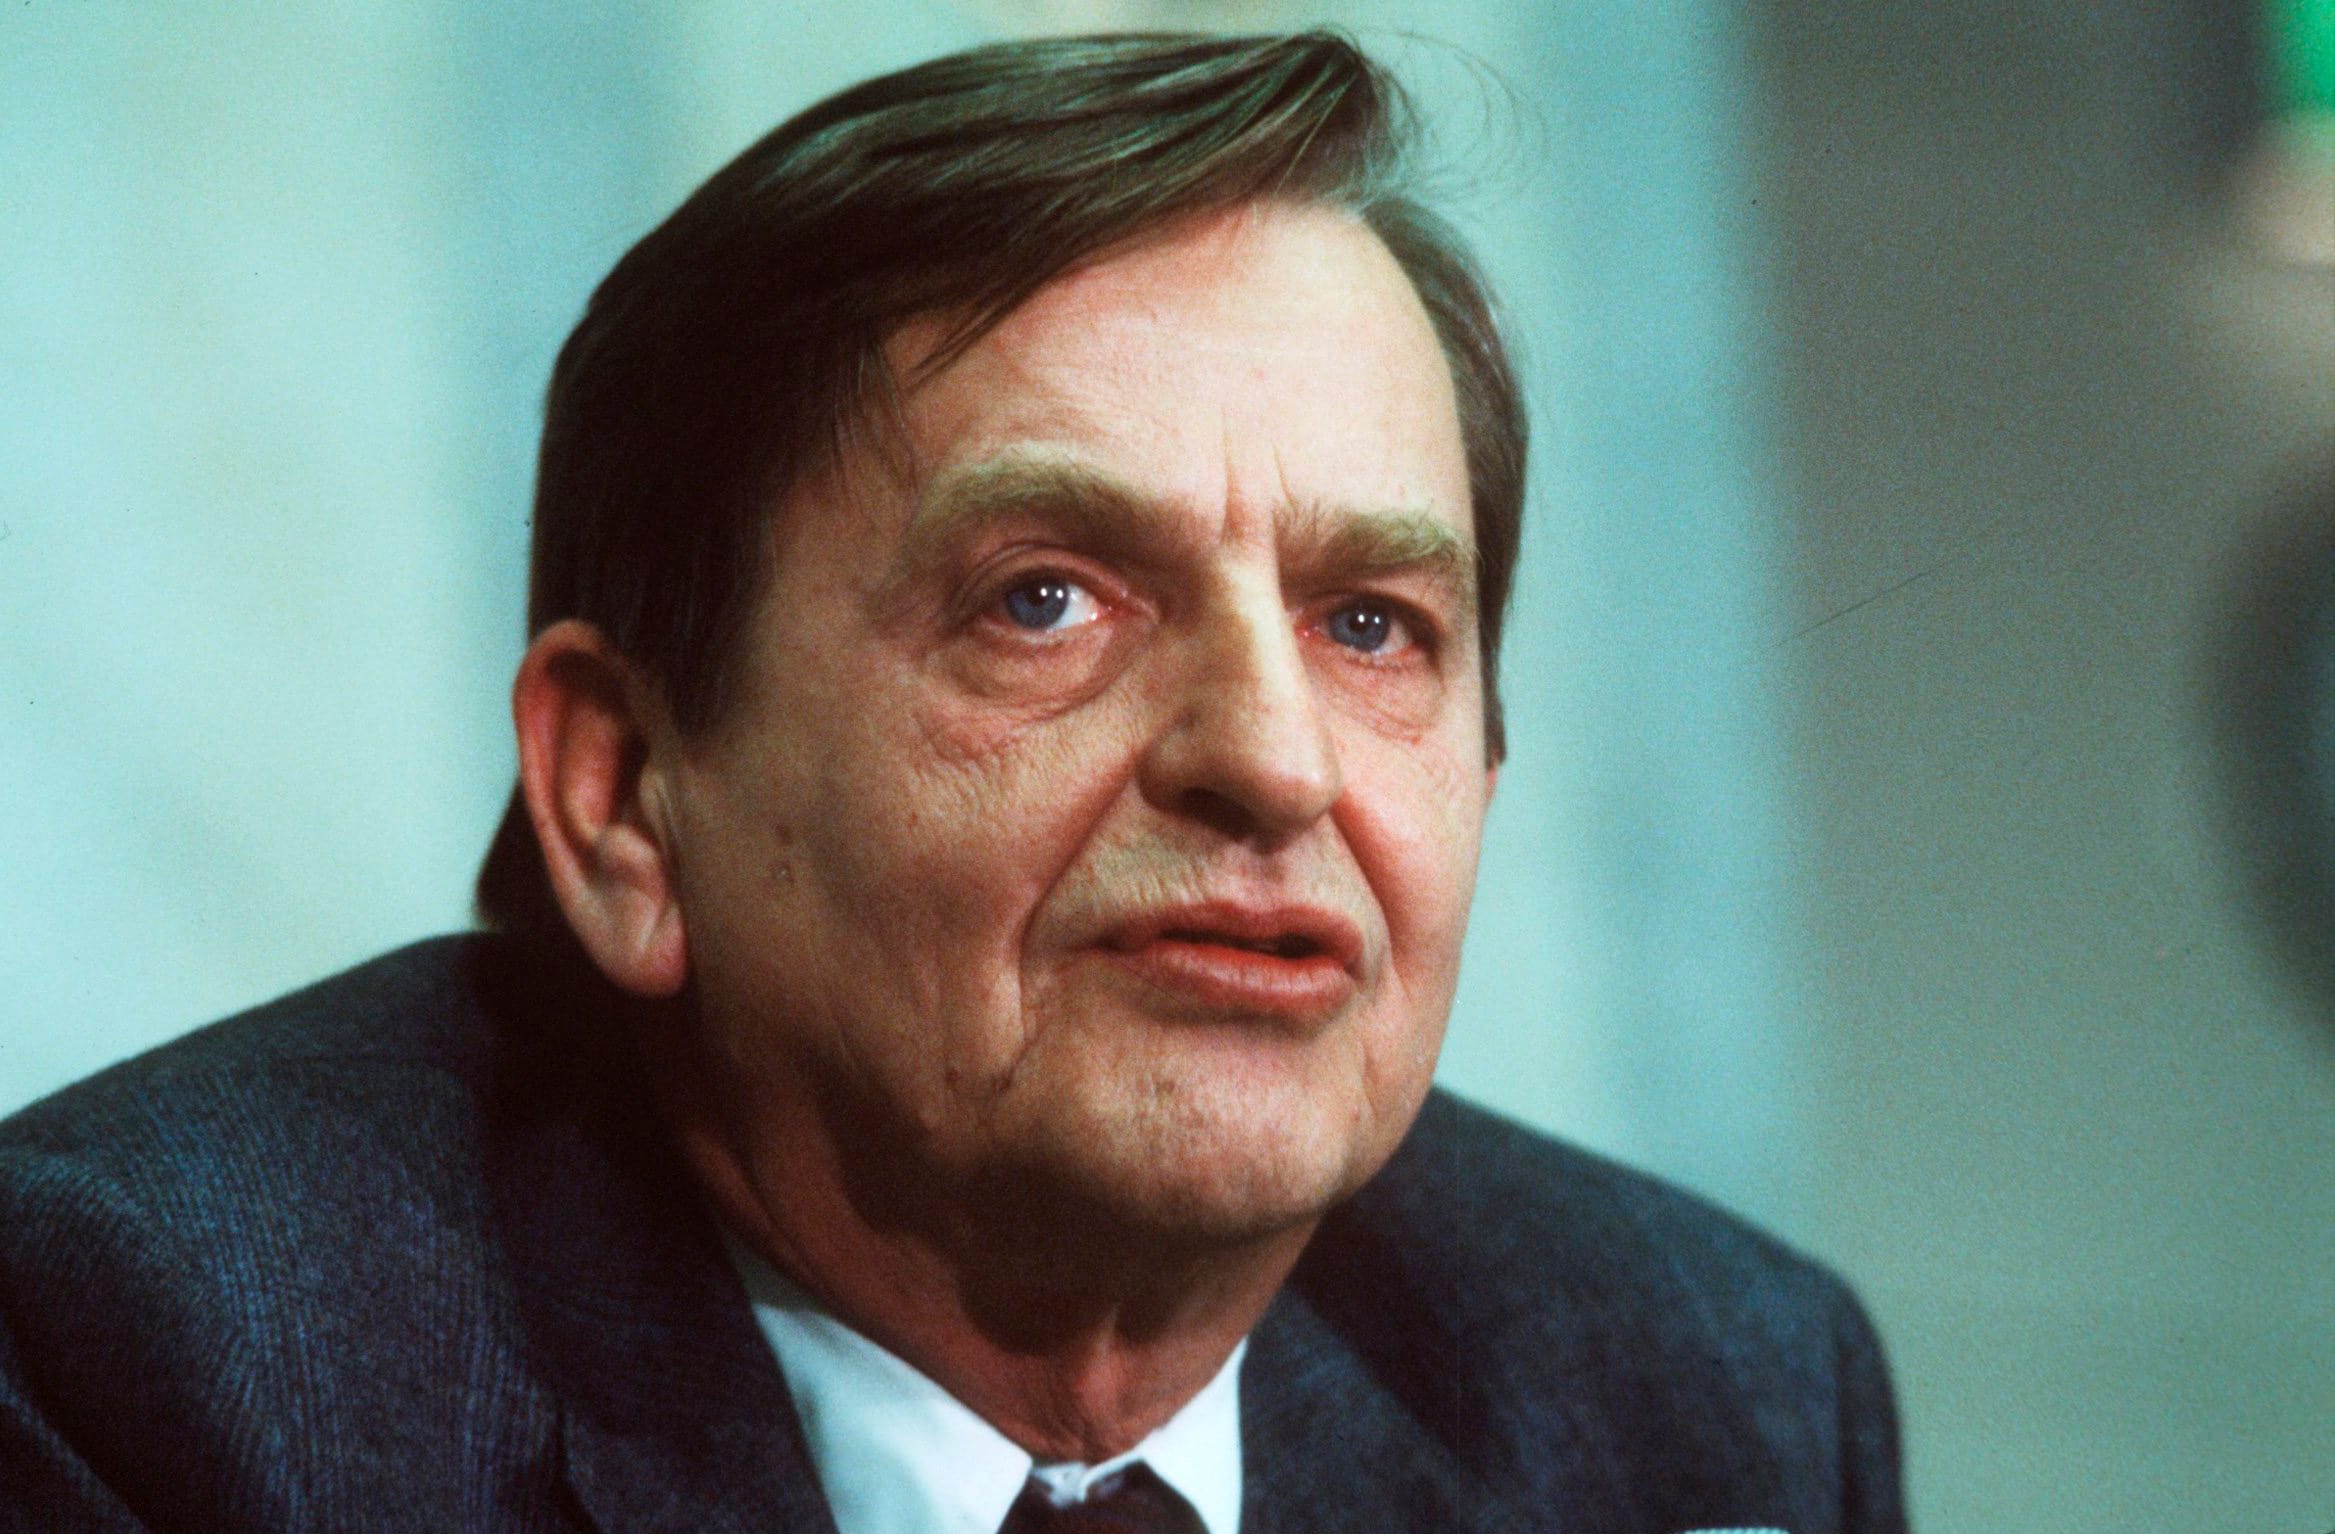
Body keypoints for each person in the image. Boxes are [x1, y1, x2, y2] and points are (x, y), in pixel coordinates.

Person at [0, 31, 1906, 1534]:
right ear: (627, 795)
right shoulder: (159, 1362)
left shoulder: (1712, 1396)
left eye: (1370, 624)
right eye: (1045, 599)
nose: (1269, 756)